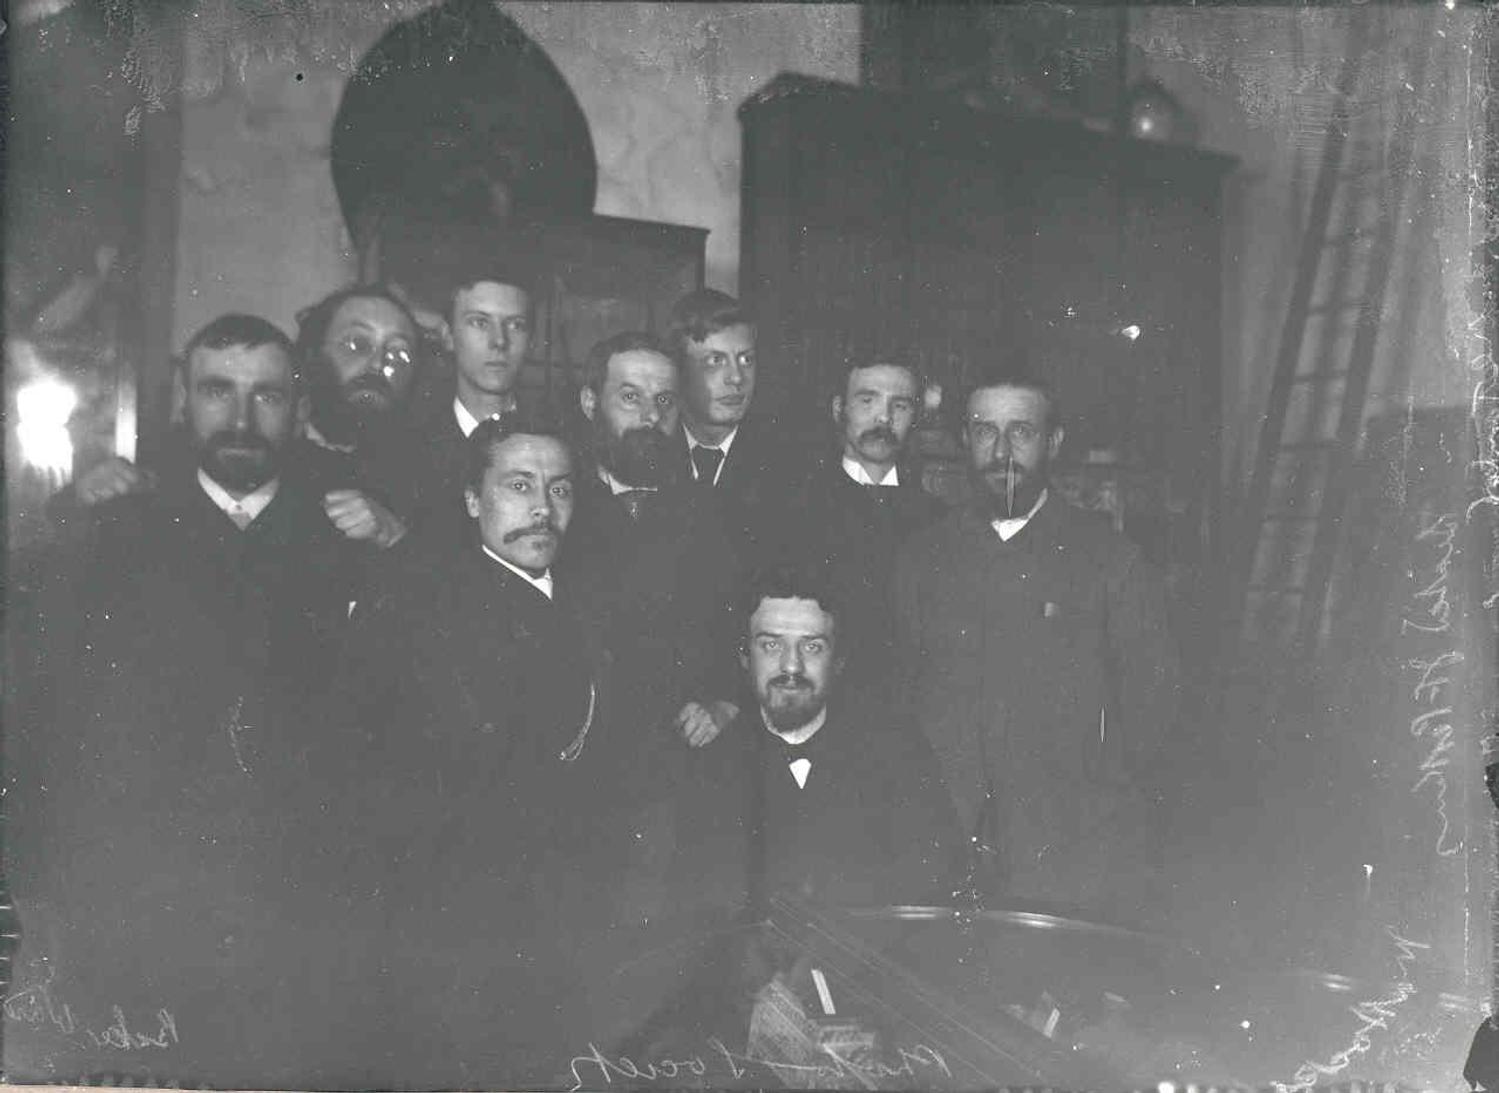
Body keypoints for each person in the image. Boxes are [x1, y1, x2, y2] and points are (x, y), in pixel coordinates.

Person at [5, 314, 371, 1085]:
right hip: (143, 904)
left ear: (300, 406)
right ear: (181, 398)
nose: (241, 419)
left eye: (267, 395)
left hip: (298, 911)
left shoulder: (346, 541)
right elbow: (45, 721)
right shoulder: (112, 529)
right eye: (218, 391)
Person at [307, 413, 608, 1087]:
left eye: (560, 489)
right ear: (473, 500)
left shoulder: (586, 602)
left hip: (564, 926)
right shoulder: (423, 611)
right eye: (519, 485)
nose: (542, 508)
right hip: (454, 937)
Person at [894, 370, 1181, 915]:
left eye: (1021, 432)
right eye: (985, 432)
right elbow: (901, 696)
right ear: (964, 440)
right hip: (943, 848)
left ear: (1053, 442)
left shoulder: (1110, 562)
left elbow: (1152, 707)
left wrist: (1081, 799)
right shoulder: (923, 559)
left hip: (1064, 860)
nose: (1002, 451)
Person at [679, 566, 959, 912]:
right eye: (770, 645)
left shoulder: (899, 756)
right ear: (744, 658)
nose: (791, 666)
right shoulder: (711, 769)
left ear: (838, 660)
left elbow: (936, 901)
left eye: (811, 647)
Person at [788, 356, 946, 693]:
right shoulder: (796, 510)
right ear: (838, 409)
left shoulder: (938, 520)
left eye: (899, 405)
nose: (884, 417)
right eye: (867, 400)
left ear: (914, 418)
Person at [403, 247, 541, 544]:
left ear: (530, 341)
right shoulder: (406, 448)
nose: (499, 341)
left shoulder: (560, 439)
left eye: (515, 325)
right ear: (448, 335)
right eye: (480, 322)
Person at [291, 283, 427, 547]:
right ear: (313, 354)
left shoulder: (426, 474)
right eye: (357, 344)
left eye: (399, 354)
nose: (378, 364)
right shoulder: (272, 452)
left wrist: (394, 536)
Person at [667, 288, 793, 550]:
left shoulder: (790, 467)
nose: (737, 378)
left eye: (747, 360)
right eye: (715, 360)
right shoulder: (655, 452)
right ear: (677, 370)